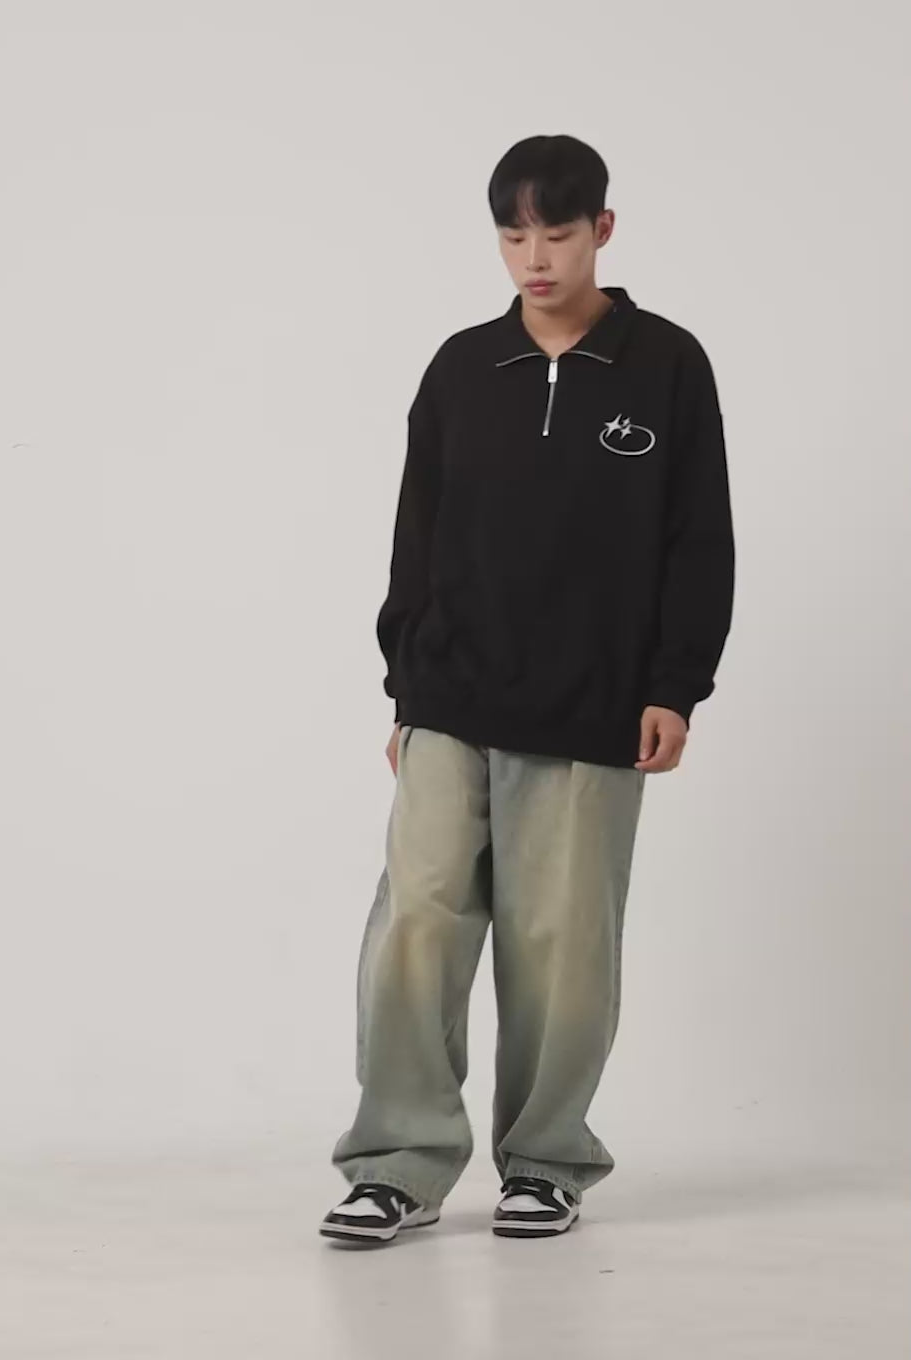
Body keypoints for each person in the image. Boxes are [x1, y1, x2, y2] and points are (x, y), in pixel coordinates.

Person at [319, 133, 736, 1246]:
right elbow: (418, 535)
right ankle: (397, 1162)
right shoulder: (462, 368)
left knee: (560, 942)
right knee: (415, 922)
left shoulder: (666, 363)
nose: (535, 259)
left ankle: (546, 1161)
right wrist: (405, 690)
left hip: (594, 704)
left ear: (603, 229)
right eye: (513, 236)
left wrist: (675, 685)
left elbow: (699, 537)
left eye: (557, 233)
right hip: (450, 697)